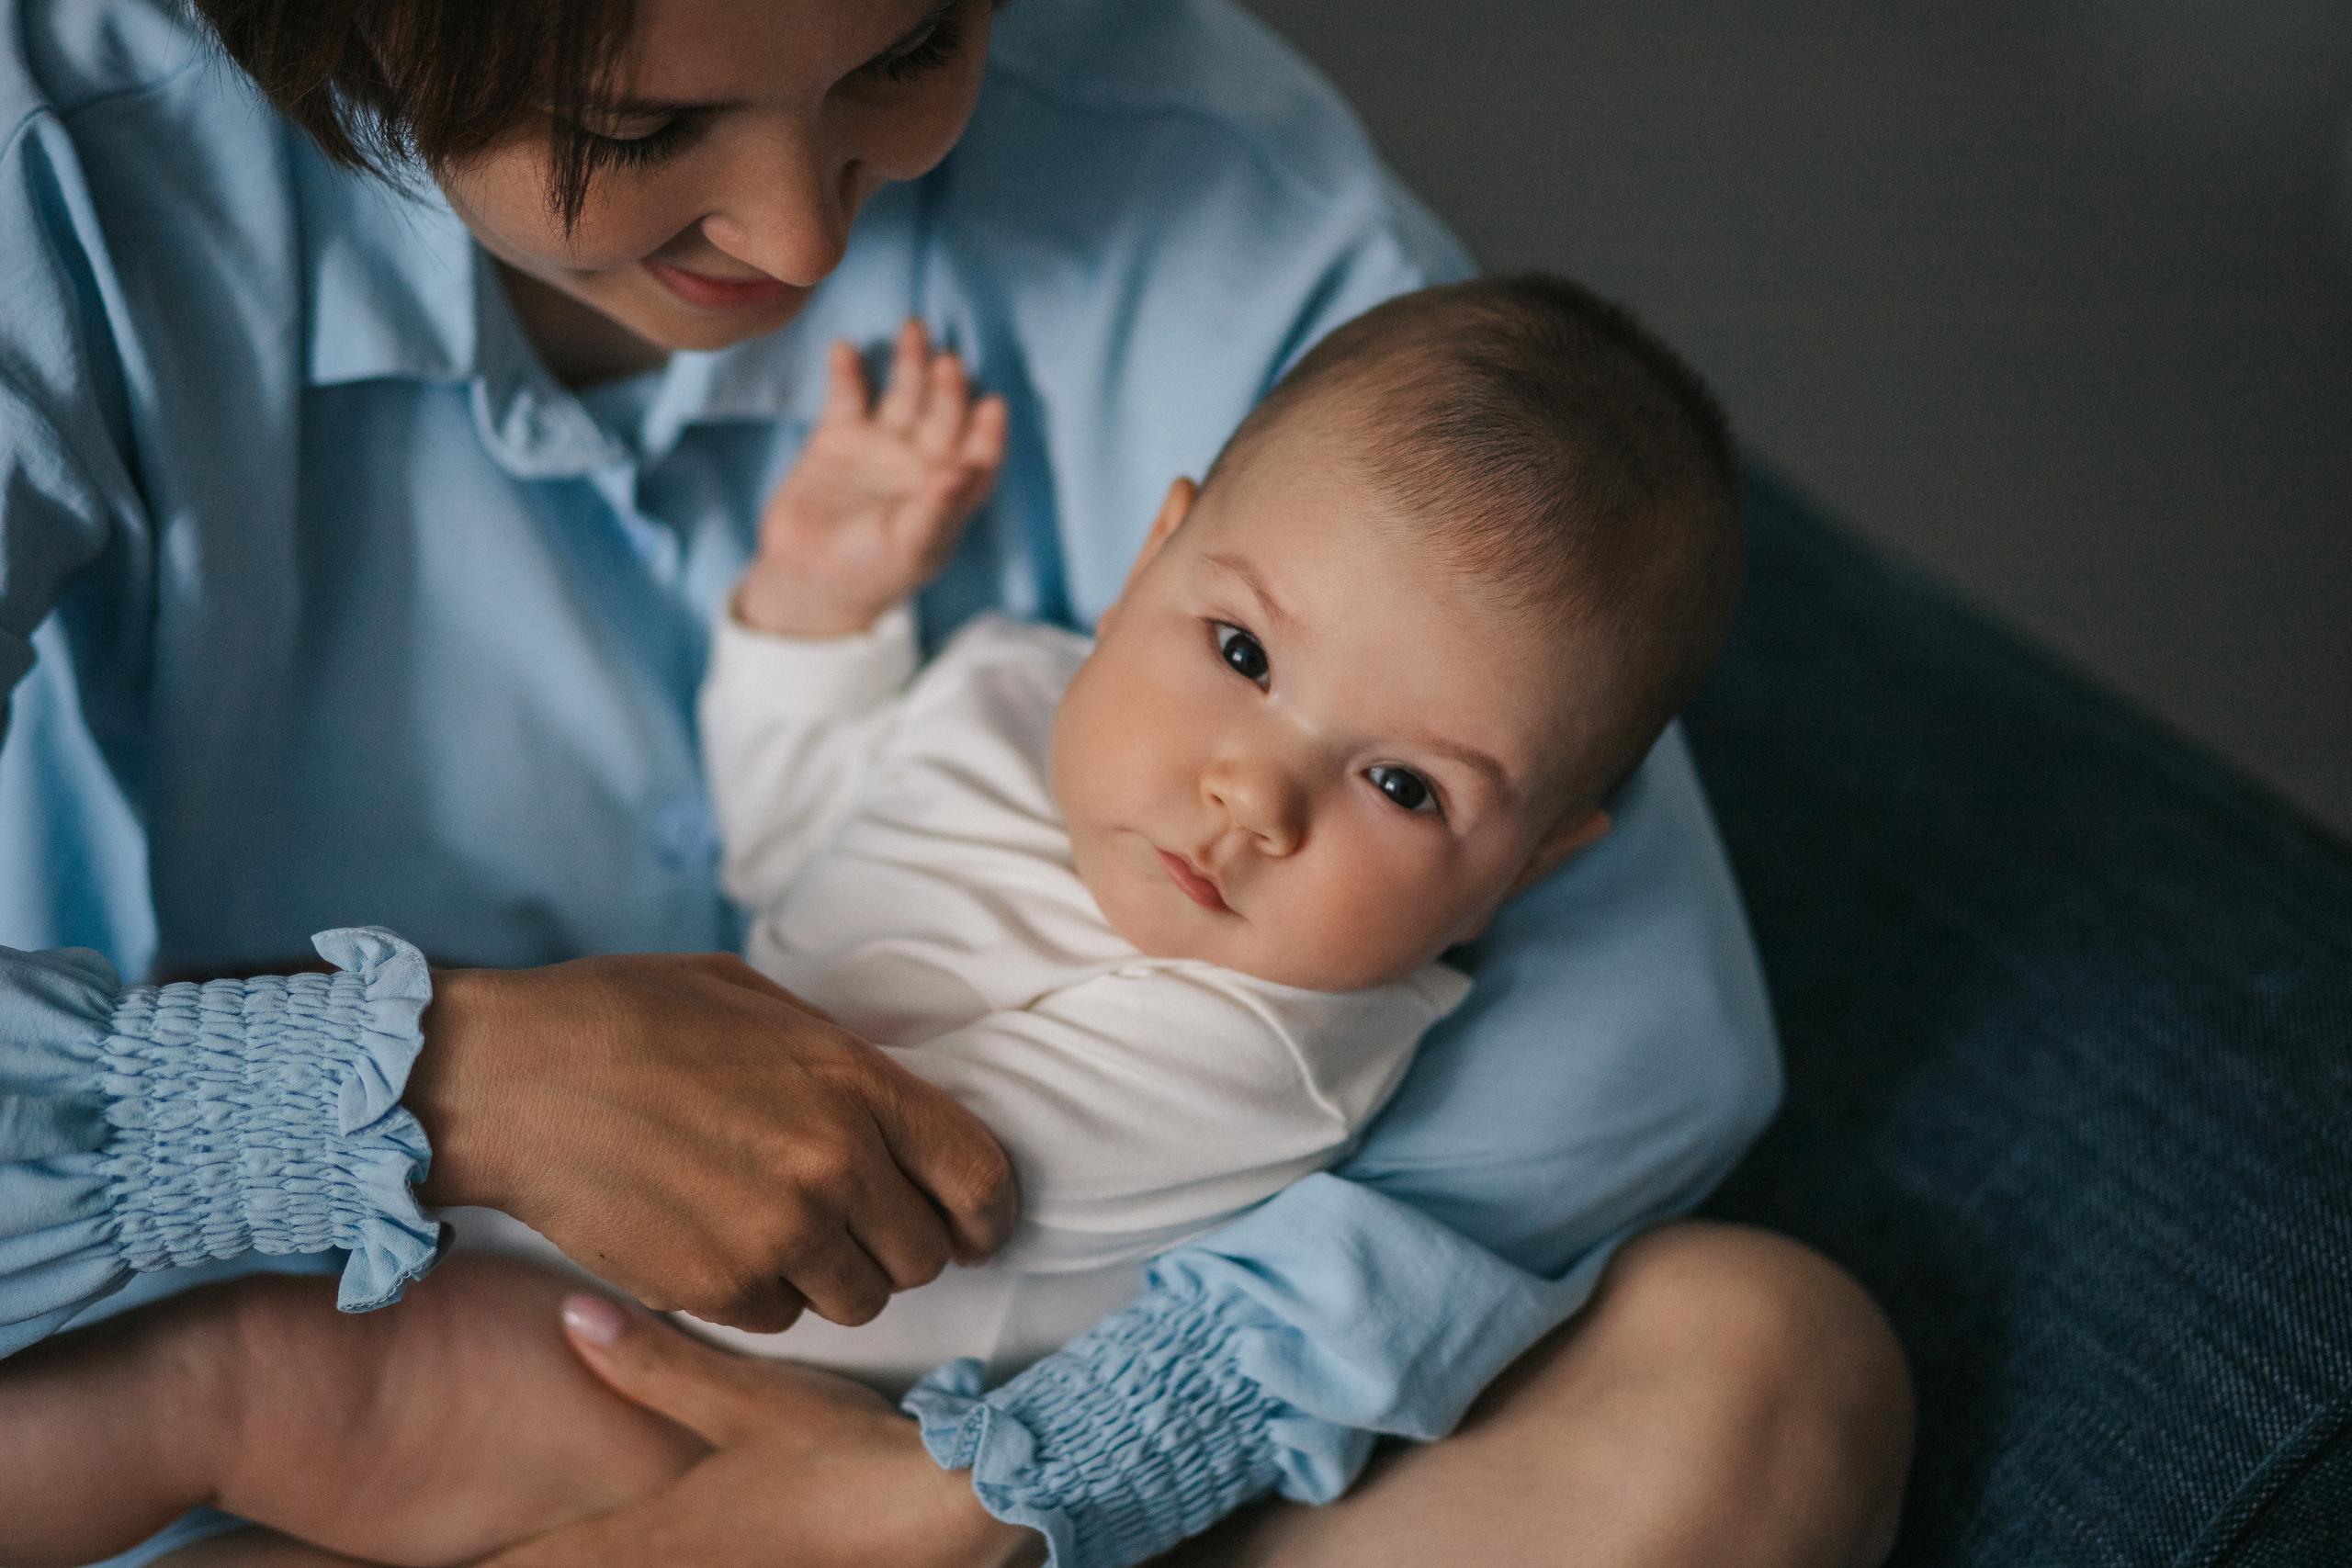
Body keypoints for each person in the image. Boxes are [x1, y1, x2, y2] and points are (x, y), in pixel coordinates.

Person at [0, 0, 1914, 1564]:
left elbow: (1641, 1029)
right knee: (212, 1378)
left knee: (1764, 1356)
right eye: (639, 126)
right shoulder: (58, 173)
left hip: (973, 1459)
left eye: (908, 48)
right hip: (513, 1322)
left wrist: (978, 1489)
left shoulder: (1221, 213)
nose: (810, 243)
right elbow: (813, 795)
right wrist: (427, 1077)